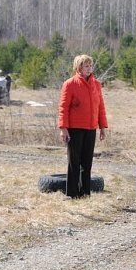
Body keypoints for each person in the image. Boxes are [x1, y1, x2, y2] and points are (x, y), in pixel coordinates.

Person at [58, 55, 108, 198]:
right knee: (74, 162)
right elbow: (63, 107)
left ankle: (85, 193)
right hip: (74, 129)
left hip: (91, 128)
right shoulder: (70, 84)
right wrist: (63, 128)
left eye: (90, 66)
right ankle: (72, 194)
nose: (89, 68)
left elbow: (101, 107)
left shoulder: (96, 84)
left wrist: (102, 127)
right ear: (78, 68)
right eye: (86, 66)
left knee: (87, 163)